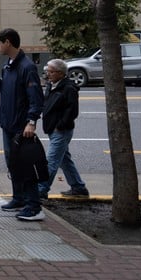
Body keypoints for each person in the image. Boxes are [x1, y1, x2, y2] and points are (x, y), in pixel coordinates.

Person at [0, 27, 45, 221]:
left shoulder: (27, 67)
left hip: (21, 127)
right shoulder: (8, 65)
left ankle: (34, 207)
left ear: (8, 42)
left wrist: (31, 122)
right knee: (13, 164)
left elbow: (36, 98)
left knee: (25, 165)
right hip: (8, 124)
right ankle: (19, 198)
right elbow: (5, 89)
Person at [38, 59, 89, 199]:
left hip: (61, 130)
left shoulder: (69, 88)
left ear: (60, 73)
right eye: (47, 71)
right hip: (51, 128)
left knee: (51, 161)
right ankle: (78, 187)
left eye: (51, 72)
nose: (48, 74)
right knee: (64, 159)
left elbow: (73, 111)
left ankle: (41, 190)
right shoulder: (51, 85)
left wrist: (59, 126)